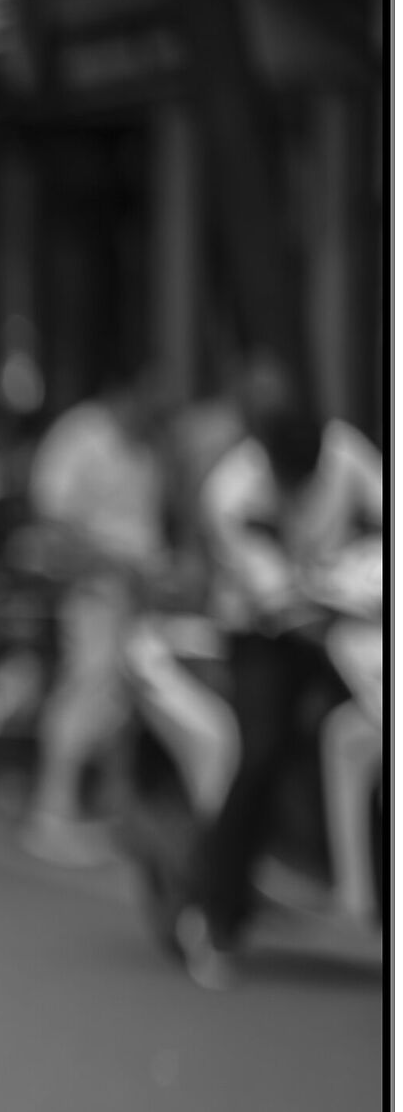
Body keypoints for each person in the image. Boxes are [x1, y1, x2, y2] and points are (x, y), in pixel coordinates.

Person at [179, 369, 385, 987]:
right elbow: (277, 601)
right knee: (263, 751)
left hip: (345, 618)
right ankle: (216, 918)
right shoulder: (231, 492)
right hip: (265, 632)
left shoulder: (345, 451)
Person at [20, 382, 167, 867]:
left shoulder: (144, 449)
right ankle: (52, 811)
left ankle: (104, 809)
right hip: (93, 590)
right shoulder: (81, 436)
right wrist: (115, 563)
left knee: (120, 704)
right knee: (84, 691)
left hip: (134, 597)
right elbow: (55, 520)